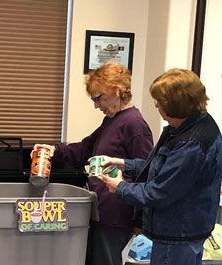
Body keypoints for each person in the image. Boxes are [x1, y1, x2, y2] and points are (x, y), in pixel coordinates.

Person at [32, 62, 153, 265]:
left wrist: (140, 221)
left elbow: (146, 172)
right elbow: (85, 149)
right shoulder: (112, 121)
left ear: (117, 90)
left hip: (117, 218)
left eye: (99, 98)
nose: (97, 105)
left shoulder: (134, 124)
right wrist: (54, 150)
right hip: (102, 213)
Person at [101, 68, 222, 265]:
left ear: (173, 106)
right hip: (185, 230)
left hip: (179, 234)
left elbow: (160, 192)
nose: (157, 107)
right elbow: (162, 167)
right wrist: (123, 163)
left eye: (159, 103)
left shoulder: (192, 143)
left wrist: (120, 187)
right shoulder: (188, 126)